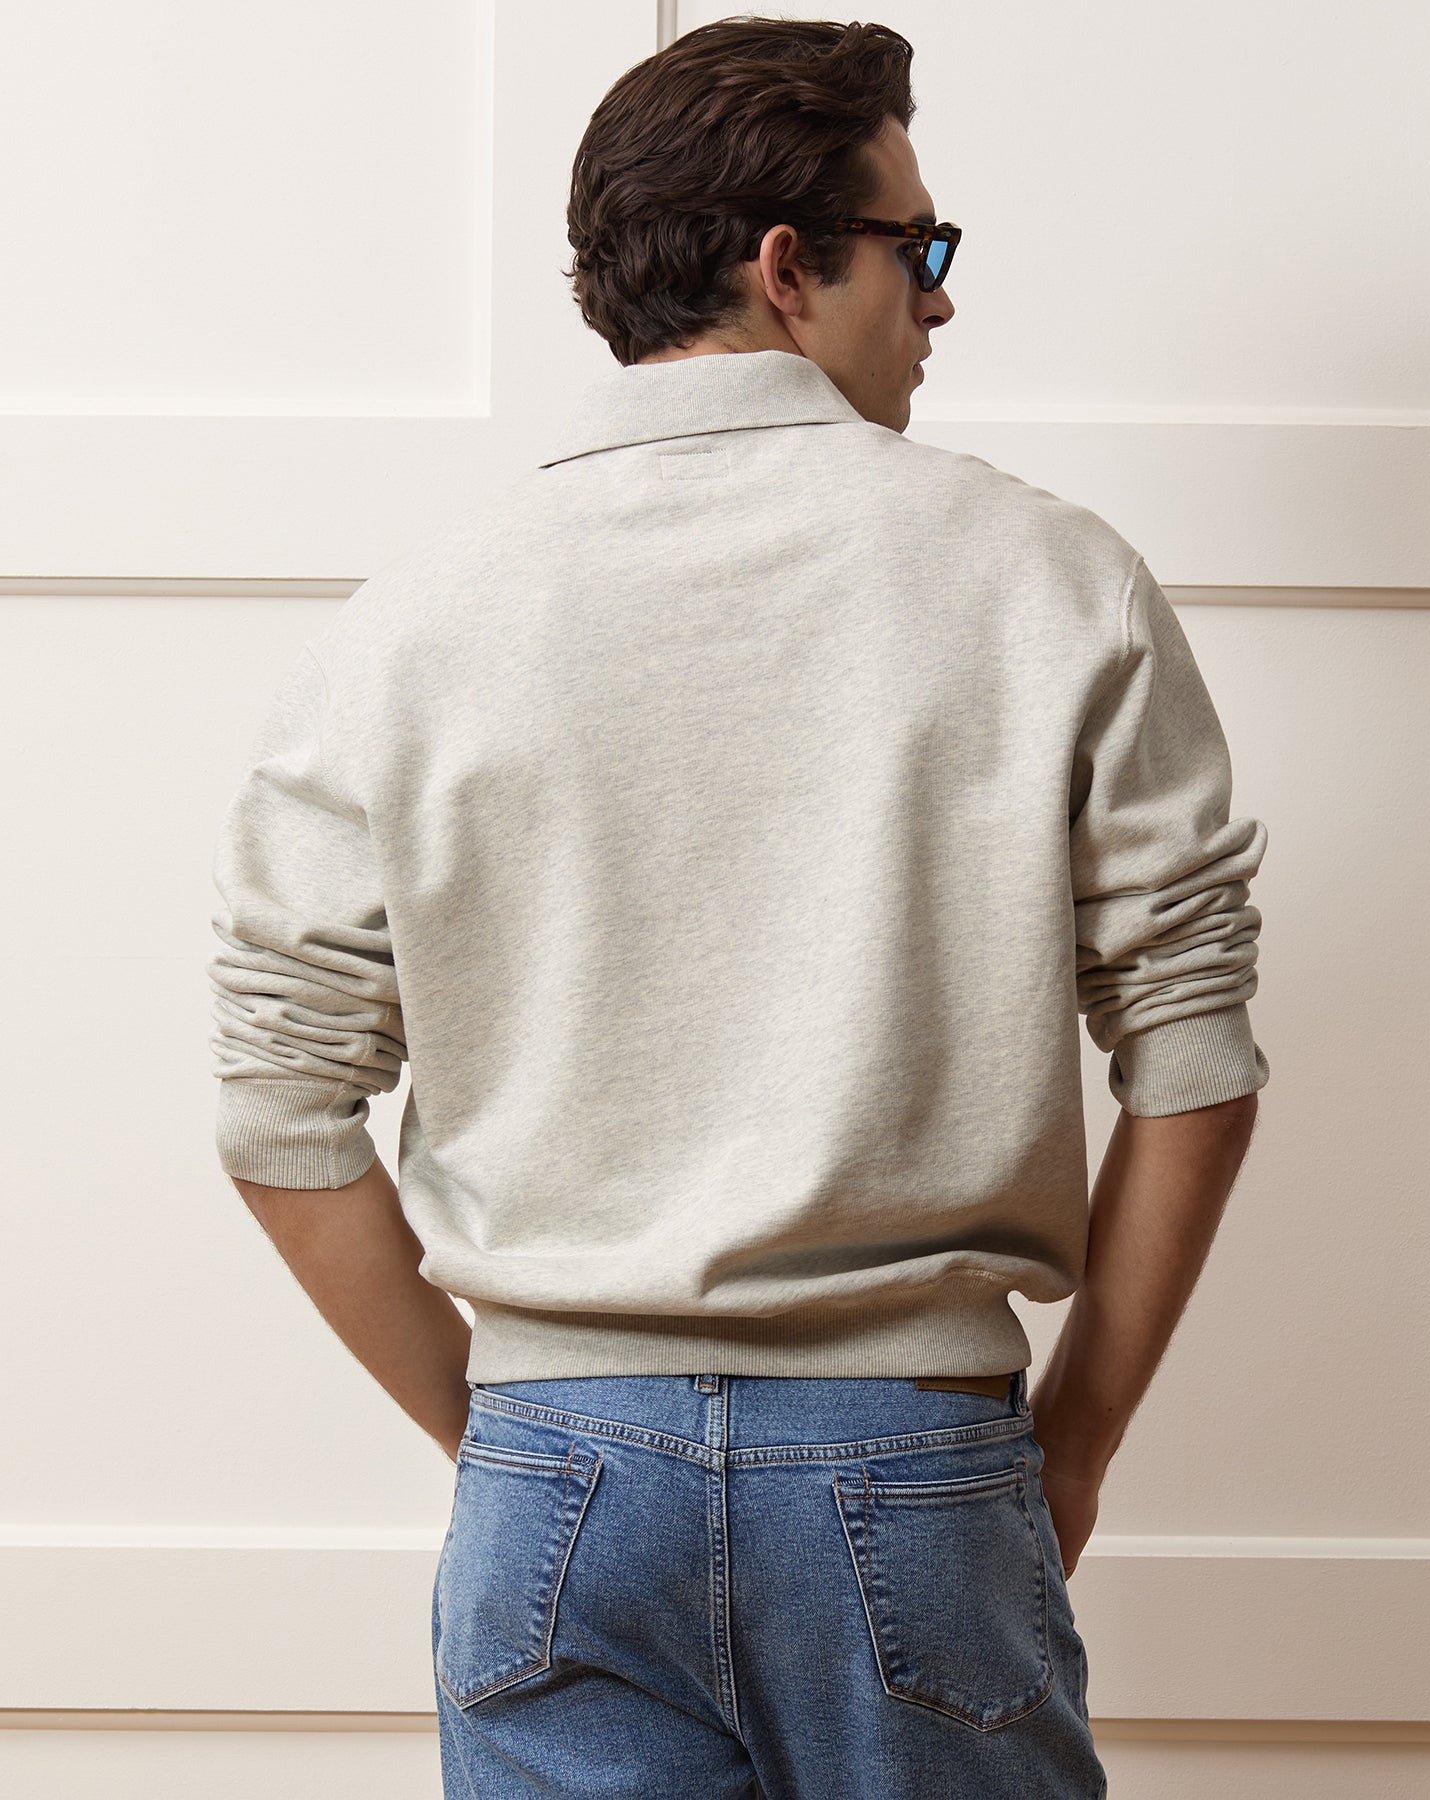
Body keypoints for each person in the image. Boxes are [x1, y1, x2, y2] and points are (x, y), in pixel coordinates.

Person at [206, 17, 1268, 1798]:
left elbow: (273, 1114)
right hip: (914, 1459)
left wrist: (518, 1433)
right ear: (788, 268)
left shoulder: (407, 626)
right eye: (917, 247)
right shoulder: (1050, 577)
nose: (940, 298)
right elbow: (1197, 1062)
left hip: (556, 1471)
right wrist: (1073, 1443)